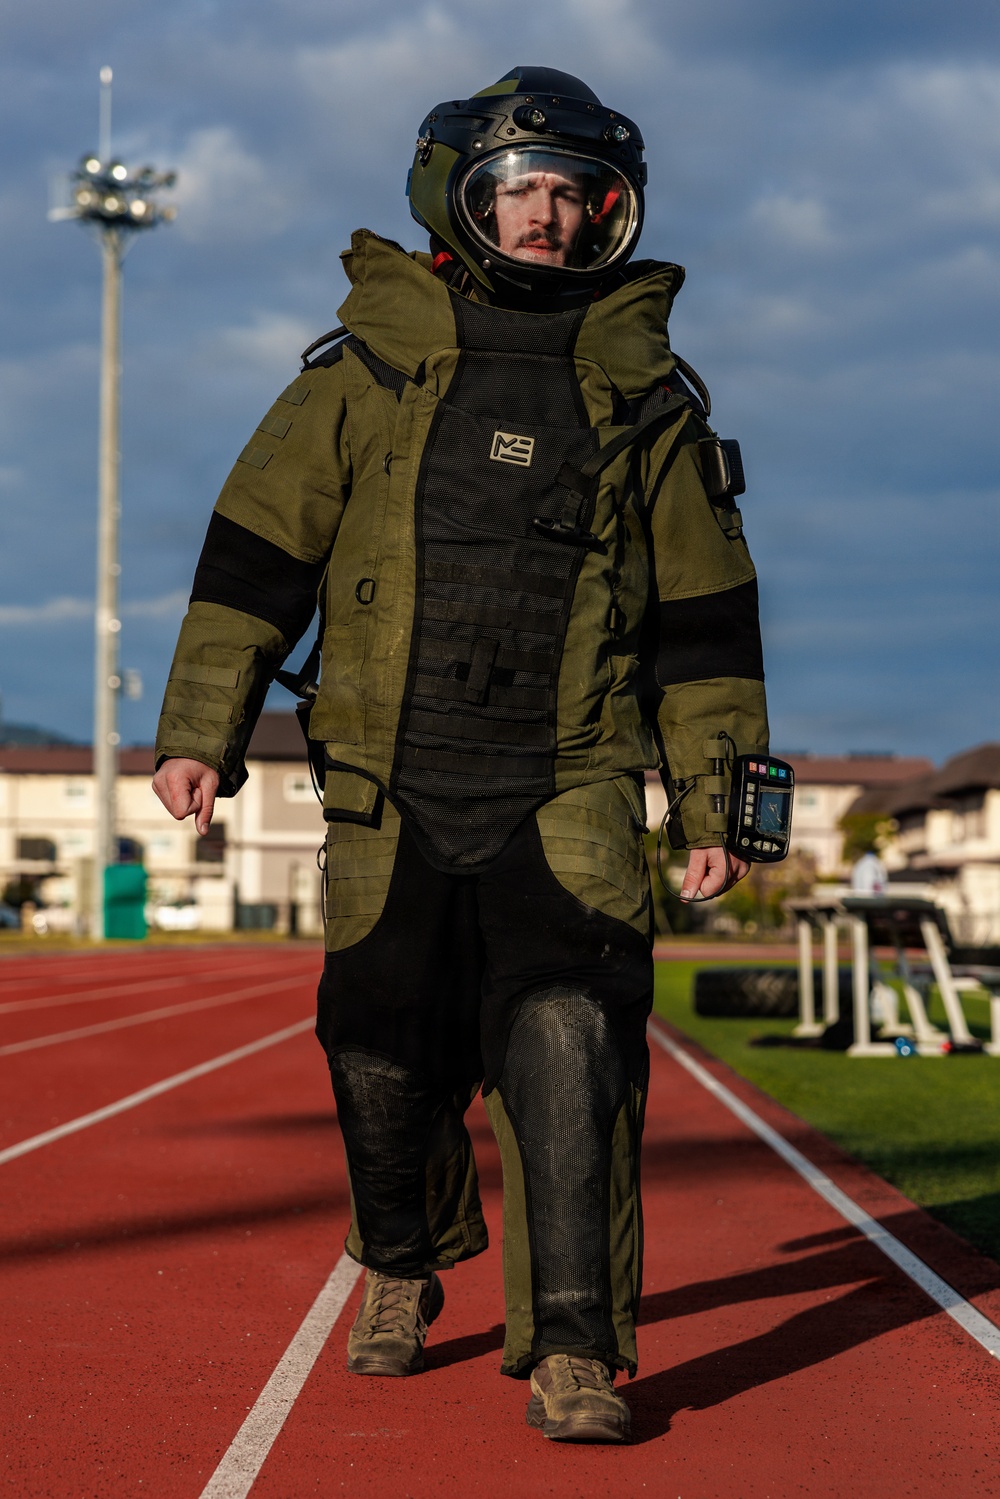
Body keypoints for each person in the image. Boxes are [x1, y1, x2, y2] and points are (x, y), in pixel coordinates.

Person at [152, 65, 769, 1444]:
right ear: (460, 199)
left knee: (571, 1051)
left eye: (575, 195)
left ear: (609, 215)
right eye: (523, 191)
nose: (549, 219)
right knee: (382, 1053)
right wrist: (203, 729)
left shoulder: (648, 404)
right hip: (388, 782)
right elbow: (255, 560)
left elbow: (708, 625)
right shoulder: (361, 374)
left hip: (575, 784)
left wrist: (721, 798)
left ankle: (575, 1350)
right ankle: (400, 1262)